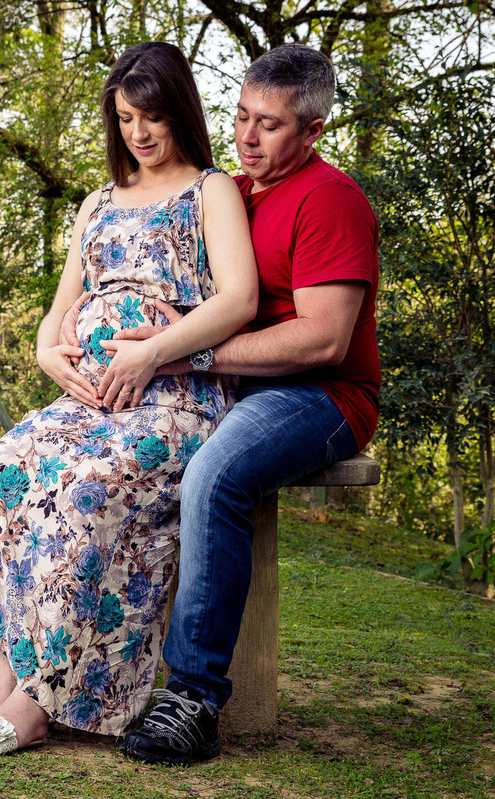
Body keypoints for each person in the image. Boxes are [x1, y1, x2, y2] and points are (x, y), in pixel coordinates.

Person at [0, 42, 258, 755]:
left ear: (179, 111)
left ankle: (37, 698)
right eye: (125, 119)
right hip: (89, 398)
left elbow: (239, 299)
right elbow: (59, 311)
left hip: (174, 395)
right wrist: (46, 352)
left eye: (152, 116)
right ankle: (9, 676)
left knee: (87, 488)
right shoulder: (97, 201)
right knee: (12, 463)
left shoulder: (210, 190)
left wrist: (152, 351)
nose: (139, 133)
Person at [110, 44, 382, 765]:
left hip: (317, 396)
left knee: (213, 476)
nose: (247, 137)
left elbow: (324, 340)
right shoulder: (228, 190)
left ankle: (192, 696)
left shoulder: (331, 200)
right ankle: (94, 665)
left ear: (314, 130)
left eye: (269, 125)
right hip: (230, 384)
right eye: (239, 116)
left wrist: (185, 352)